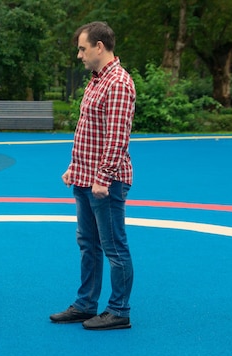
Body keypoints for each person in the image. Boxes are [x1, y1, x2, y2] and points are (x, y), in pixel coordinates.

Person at [50, 21, 135, 330]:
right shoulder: (96, 80)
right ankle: (86, 304)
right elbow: (88, 130)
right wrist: (75, 167)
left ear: (100, 47)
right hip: (85, 178)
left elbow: (116, 138)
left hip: (105, 184)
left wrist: (104, 177)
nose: (79, 55)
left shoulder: (118, 83)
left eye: (82, 48)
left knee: (114, 247)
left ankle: (119, 310)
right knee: (88, 244)